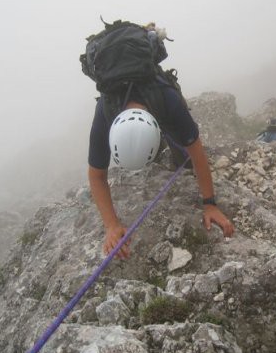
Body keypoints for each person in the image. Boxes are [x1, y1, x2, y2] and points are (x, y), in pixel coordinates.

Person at [88, 59, 235, 260]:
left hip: (162, 105)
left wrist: (210, 204)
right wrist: (111, 225)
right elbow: (96, 176)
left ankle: (174, 150)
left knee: (184, 155)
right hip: (139, 108)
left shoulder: (170, 101)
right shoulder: (104, 112)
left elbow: (197, 152)